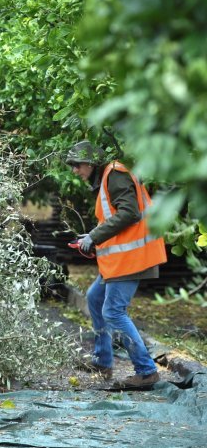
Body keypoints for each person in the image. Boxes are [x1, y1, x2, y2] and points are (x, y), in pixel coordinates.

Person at [66, 140, 167, 389]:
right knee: (94, 298)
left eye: (77, 165)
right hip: (123, 258)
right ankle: (103, 361)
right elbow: (116, 216)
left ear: (90, 163)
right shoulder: (108, 178)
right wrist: (90, 236)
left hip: (133, 258)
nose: (74, 171)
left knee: (113, 312)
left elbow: (129, 213)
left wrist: (95, 237)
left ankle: (146, 371)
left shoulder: (115, 174)